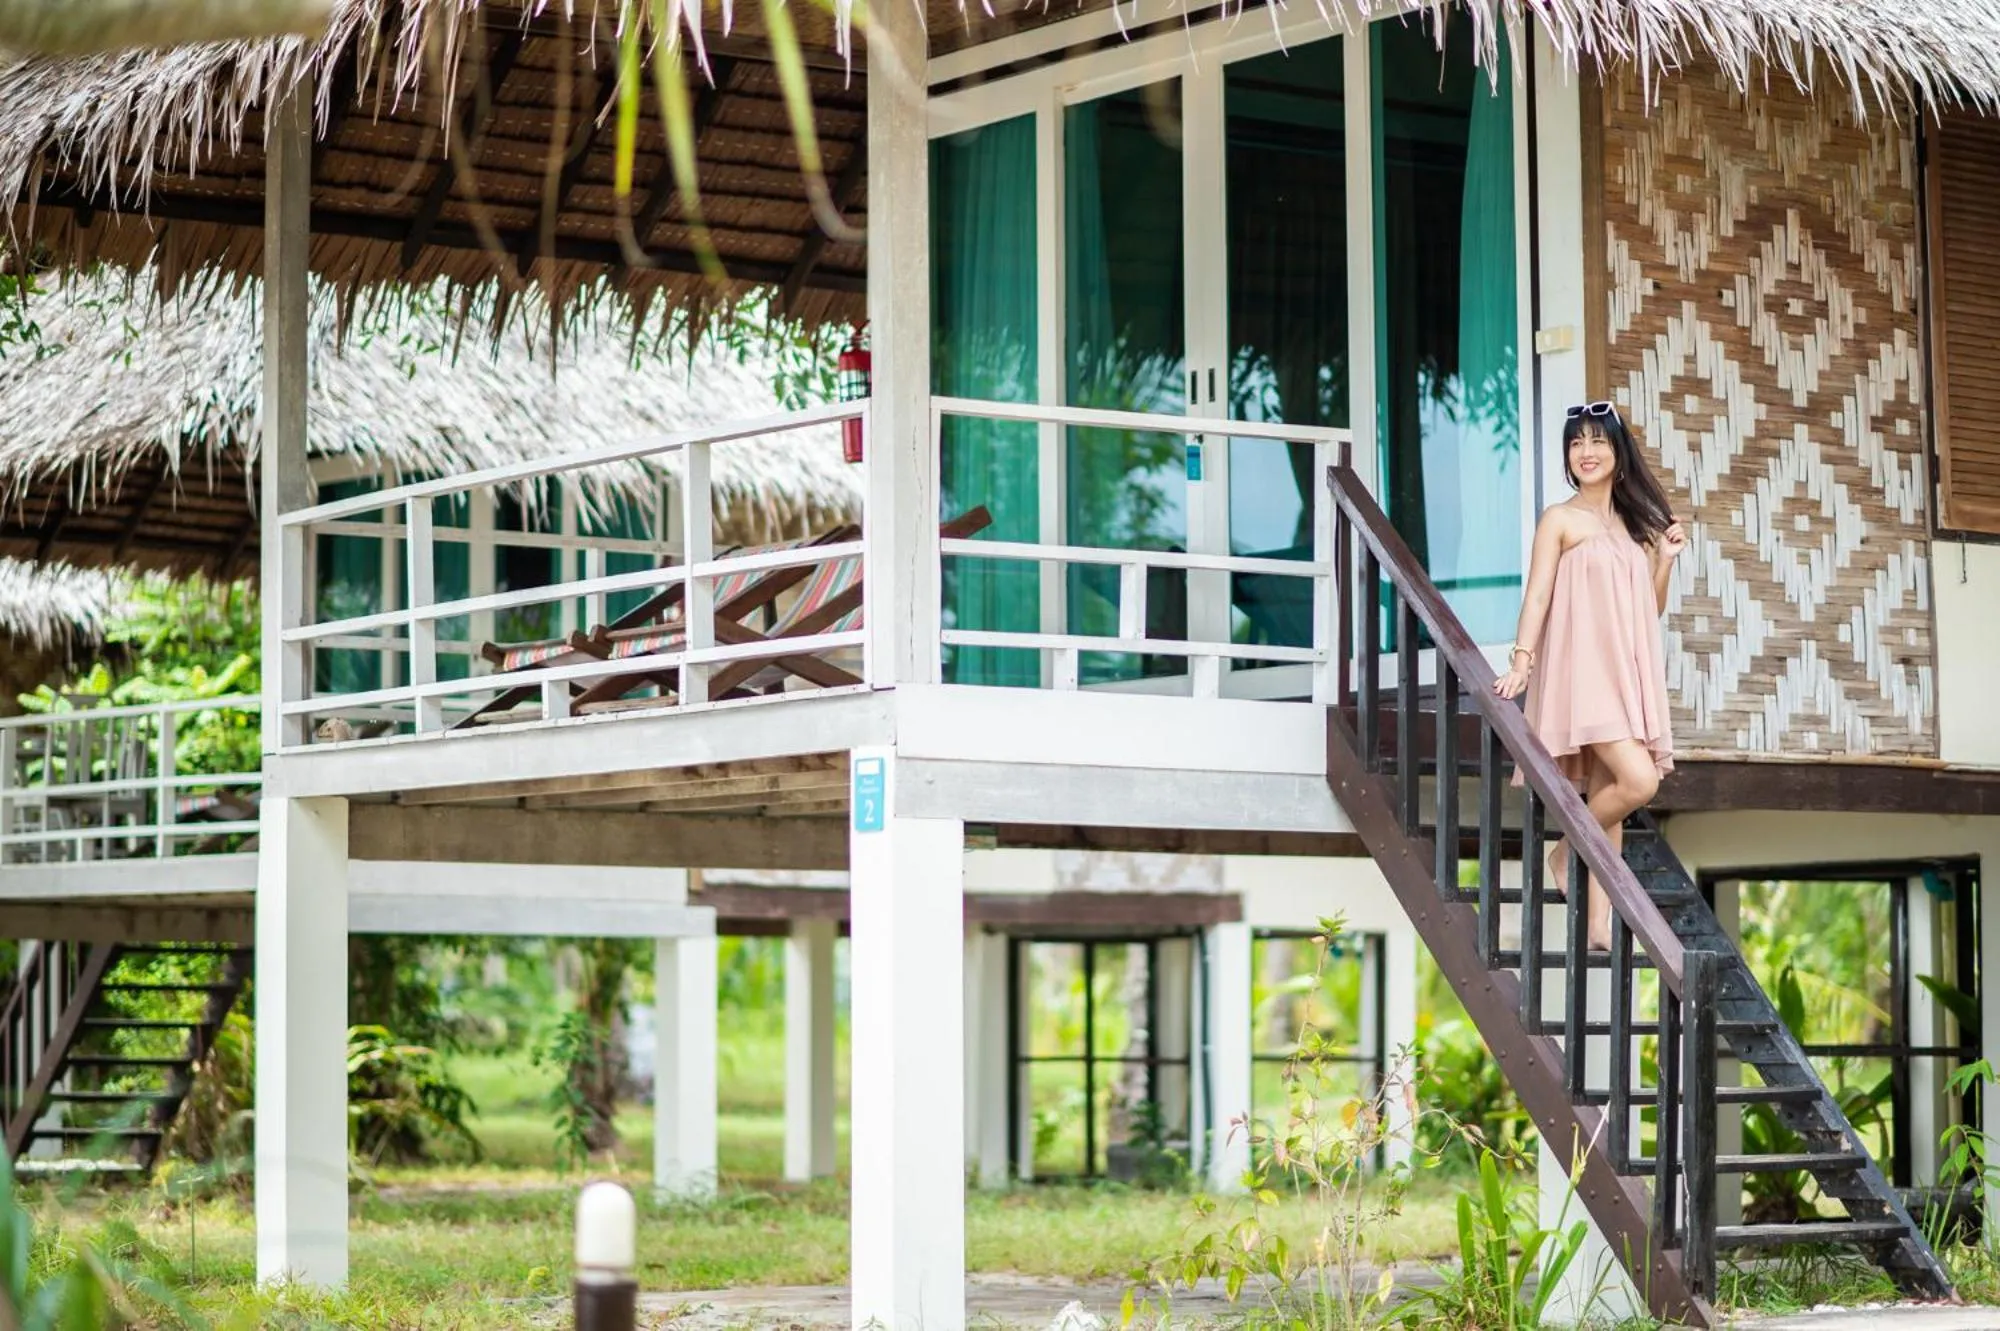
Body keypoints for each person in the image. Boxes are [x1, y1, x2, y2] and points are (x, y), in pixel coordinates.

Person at [1493, 401, 1685, 950]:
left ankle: (1598, 923)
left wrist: (1665, 560)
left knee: (1612, 792)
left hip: (1626, 672)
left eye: (1597, 441)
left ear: (1618, 454)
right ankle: (1563, 850)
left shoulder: (1634, 530)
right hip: (1584, 674)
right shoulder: (1560, 519)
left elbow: (1647, 609)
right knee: (1639, 781)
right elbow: (1537, 596)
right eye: (1577, 443)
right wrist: (1521, 662)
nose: (1587, 452)